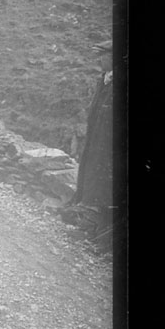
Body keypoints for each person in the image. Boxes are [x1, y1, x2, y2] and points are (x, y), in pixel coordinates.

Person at [65, 39, 115, 243]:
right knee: (94, 181)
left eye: (103, 55)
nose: (99, 59)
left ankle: (96, 233)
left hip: (110, 147)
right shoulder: (104, 79)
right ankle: (89, 226)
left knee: (105, 188)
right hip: (97, 140)